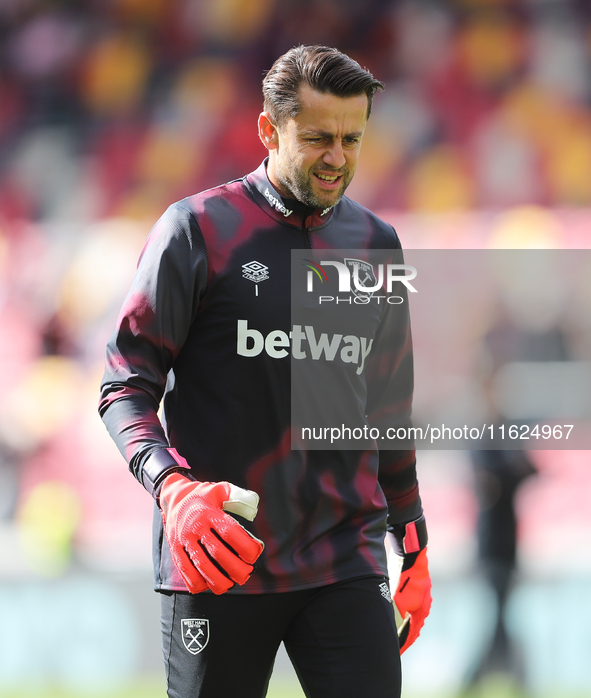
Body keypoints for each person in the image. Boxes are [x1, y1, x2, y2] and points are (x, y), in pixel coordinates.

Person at [99, 44, 432, 698]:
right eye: (315, 138)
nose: (336, 156)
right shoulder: (196, 231)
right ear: (266, 130)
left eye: (350, 139)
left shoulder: (373, 245)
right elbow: (124, 386)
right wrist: (172, 490)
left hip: (343, 557)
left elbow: (386, 410)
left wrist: (413, 539)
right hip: (220, 554)